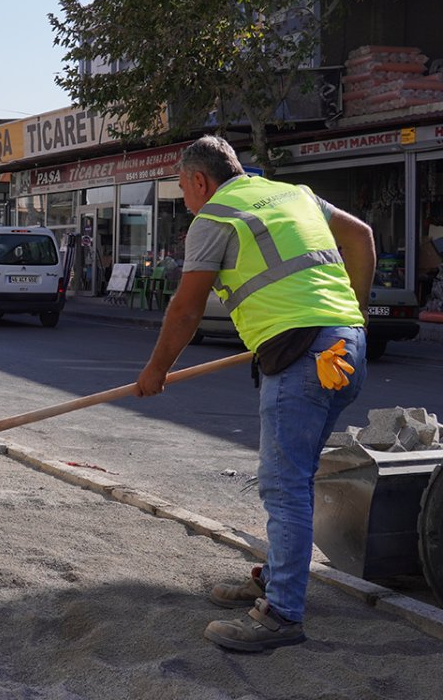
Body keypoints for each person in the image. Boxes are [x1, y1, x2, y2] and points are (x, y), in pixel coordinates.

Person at [135, 135, 374, 653]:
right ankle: (275, 578)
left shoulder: (214, 217)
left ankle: (282, 614)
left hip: (303, 356)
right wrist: (350, 311)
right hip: (344, 348)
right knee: (297, 475)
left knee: (283, 485)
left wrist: (155, 370)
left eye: (183, 187)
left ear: (200, 180)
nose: (186, 199)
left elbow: (186, 309)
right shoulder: (295, 194)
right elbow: (362, 237)